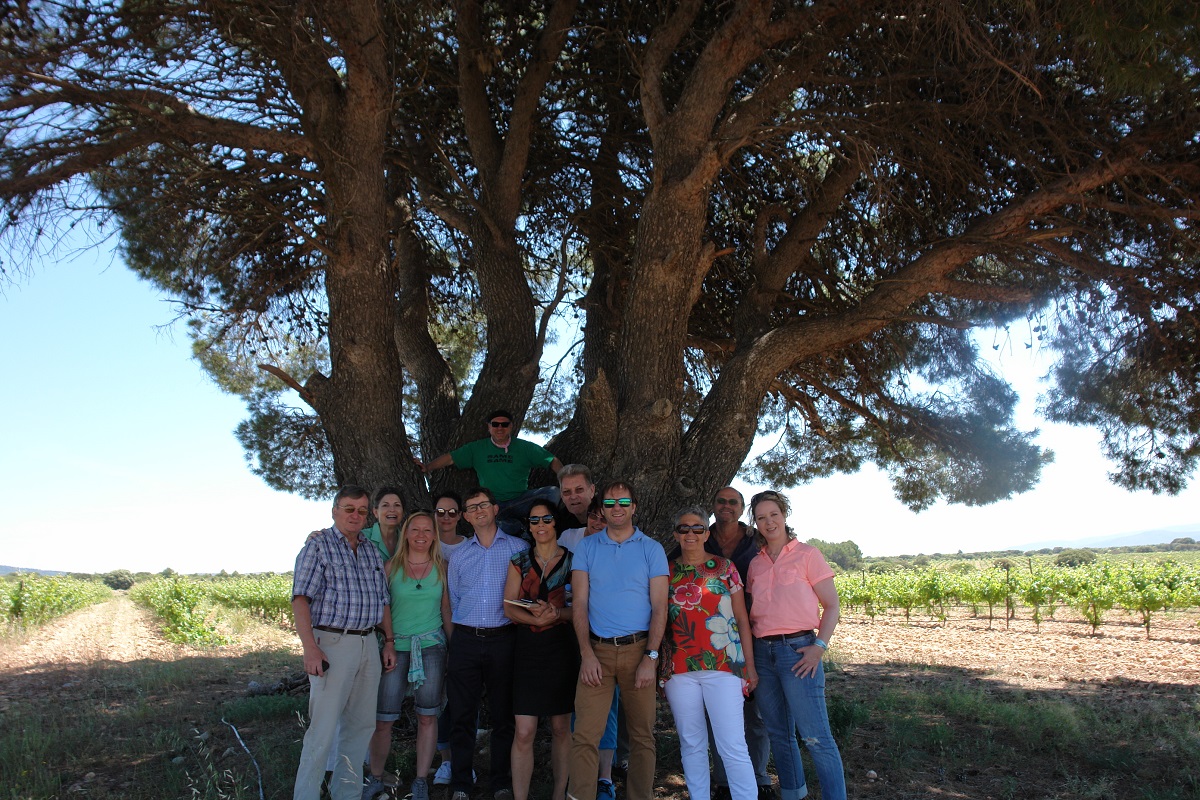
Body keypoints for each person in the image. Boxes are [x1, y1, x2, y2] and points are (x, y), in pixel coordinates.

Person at [292, 486, 396, 800]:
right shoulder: (318, 545)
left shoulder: (369, 550)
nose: (355, 515)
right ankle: (306, 795)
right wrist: (310, 647)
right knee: (322, 732)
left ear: (369, 516)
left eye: (362, 510)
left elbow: (383, 602)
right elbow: (300, 599)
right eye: (349, 508)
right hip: (332, 644)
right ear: (335, 511)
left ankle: (347, 794)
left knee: (361, 727)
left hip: (368, 645)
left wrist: (388, 642)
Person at [568, 480, 668, 800]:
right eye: (609, 504)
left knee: (642, 737)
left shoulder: (651, 549)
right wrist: (586, 653)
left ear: (633, 507)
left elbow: (660, 607)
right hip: (597, 651)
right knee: (584, 736)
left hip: (639, 652)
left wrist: (650, 658)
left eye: (623, 503)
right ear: (602, 509)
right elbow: (579, 604)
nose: (616, 509)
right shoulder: (587, 547)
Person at [746, 490, 846, 800]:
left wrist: (819, 646)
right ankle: (794, 795)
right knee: (779, 736)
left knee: (816, 738)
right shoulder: (755, 564)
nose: (768, 522)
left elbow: (832, 606)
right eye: (761, 518)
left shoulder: (808, 554)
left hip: (800, 652)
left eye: (773, 514)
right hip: (763, 653)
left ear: (785, 514)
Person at [661, 506, 758, 800]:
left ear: (706, 533)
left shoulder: (726, 567)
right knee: (691, 744)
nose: (690, 534)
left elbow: (742, 619)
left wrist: (750, 667)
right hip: (679, 670)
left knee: (732, 744)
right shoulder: (665, 571)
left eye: (697, 528)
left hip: (724, 666)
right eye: (684, 528)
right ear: (676, 534)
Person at [445, 487, 529, 800]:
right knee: (462, 716)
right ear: (465, 516)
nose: (478, 511)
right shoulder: (459, 556)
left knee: (503, 716)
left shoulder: (518, 548)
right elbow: (454, 599)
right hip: (466, 640)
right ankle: (461, 784)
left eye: (483, 505)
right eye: (471, 507)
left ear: (495, 509)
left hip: (504, 640)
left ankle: (501, 783)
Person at [364, 512, 450, 800]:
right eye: (415, 529)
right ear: (406, 533)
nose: (421, 534)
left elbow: (447, 611)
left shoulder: (442, 568)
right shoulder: (390, 567)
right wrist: (388, 641)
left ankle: (421, 780)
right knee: (384, 718)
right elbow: (382, 609)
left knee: (428, 716)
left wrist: (455, 648)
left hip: (432, 648)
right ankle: (376, 778)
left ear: (435, 535)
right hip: (396, 648)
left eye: (428, 529)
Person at [505, 501, 579, 800]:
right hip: (527, 651)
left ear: (555, 523)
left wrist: (558, 615)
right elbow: (509, 607)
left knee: (562, 727)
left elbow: (583, 609)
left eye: (546, 519)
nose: (540, 525)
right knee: (524, 731)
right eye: (534, 520)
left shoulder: (575, 562)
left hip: (562, 650)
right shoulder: (519, 561)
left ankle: (559, 794)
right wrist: (535, 617)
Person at [704, 488, 774, 800]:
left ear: (742, 508)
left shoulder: (756, 539)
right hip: (713, 637)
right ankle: (723, 782)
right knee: (718, 713)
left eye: (734, 502)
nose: (727, 506)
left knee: (756, 713)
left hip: (755, 632)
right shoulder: (699, 538)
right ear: (713, 506)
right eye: (721, 501)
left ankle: (760, 779)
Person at [418, 409, 564, 532]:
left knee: (553, 492)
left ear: (511, 426)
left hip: (522, 500)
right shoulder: (477, 448)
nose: (500, 428)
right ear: (489, 427)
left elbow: (552, 461)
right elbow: (450, 458)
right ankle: (519, 526)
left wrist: (566, 482)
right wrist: (427, 467)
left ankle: (538, 524)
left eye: (504, 424)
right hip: (494, 505)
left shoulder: (525, 447)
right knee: (497, 527)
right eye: (495, 424)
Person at [431, 489, 471, 787]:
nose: (446, 518)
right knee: (436, 699)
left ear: (461, 516)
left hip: (463, 631)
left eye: (452, 512)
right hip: (428, 632)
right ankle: (445, 760)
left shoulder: (469, 548)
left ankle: (463, 760)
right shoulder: (423, 543)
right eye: (440, 512)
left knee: (463, 699)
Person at [555, 463, 596, 531]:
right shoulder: (558, 522)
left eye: (579, 490)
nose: (573, 497)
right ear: (561, 496)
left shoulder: (607, 516)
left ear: (592, 490)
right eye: (567, 492)